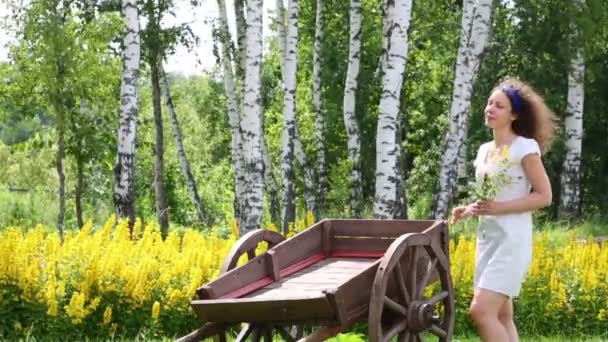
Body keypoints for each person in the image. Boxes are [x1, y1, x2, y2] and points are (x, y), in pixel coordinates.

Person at [450, 78, 557, 342]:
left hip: (512, 241)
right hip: (488, 240)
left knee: (481, 312)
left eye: (499, 105)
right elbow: (491, 198)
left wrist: (498, 208)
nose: (490, 108)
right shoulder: (484, 150)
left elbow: (544, 196)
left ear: (514, 114)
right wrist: (470, 209)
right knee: (501, 316)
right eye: (489, 103)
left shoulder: (524, 148)